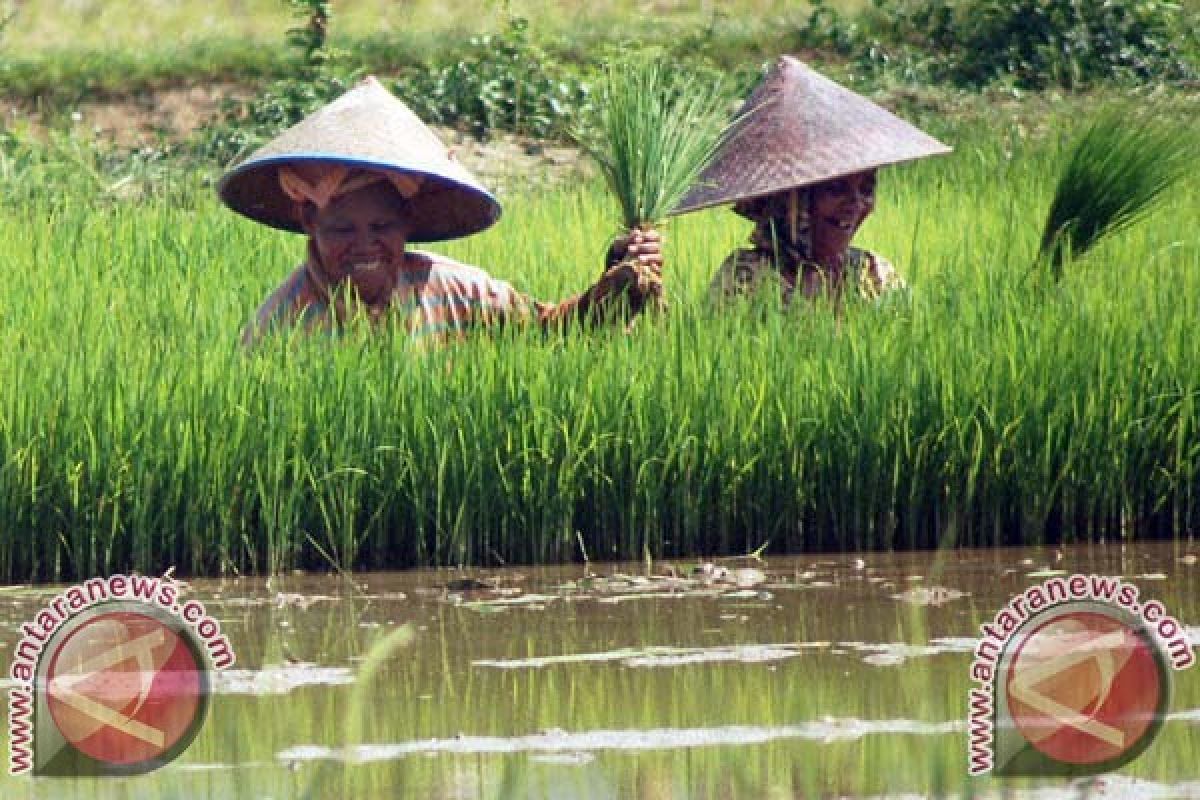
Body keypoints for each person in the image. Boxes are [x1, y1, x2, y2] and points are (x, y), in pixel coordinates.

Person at [219, 77, 662, 345]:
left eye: (381, 226)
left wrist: (613, 288)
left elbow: (547, 334)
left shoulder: (448, 288)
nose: (364, 245)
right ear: (309, 222)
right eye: (342, 229)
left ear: (408, 222)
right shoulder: (283, 322)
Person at [673, 56, 951, 305]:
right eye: (835, 189)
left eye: (866, 189)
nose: (855, 204)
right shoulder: (746, 278)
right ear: (793, 201)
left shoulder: (871, 273)